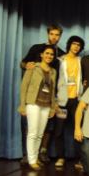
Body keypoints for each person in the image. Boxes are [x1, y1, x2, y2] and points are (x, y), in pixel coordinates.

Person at [20, 24, 64, 163]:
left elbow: (60, 77)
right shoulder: (36, 48)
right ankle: (29, 155)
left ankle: (42, 152)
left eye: (57, 35)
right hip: (33, 95)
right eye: (52, 34)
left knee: (48, 127)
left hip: (50, 95)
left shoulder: (61, 55)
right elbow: (23, 63)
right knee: (30, 127)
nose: (54, 37)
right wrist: (26, 66)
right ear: (48, 34)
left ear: (60, 37)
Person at [18, 45, 57, 170]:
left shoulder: (53, 71)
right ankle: (31, 160)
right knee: (32, 133)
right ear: (41, 54)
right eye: (47, 53)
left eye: (51, 54)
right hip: (33, 103)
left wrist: (52, 107)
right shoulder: (33, 67)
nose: (49, 56)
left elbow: (52, 91)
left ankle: (34, 158)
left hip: (46, 105)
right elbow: (24, 87)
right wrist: (23, 105)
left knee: (40, 134)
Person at [53, 36, 84, 167]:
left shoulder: (81, 61)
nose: (76, 47)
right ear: (69, 45)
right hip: (62, 100)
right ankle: (61, 157)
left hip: (77, 101)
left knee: (78, 130)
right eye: (74, 44)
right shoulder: (60, 60)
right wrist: (54, 100)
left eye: (78, 45)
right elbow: (53, 80)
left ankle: (80, 159)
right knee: (59, 130)